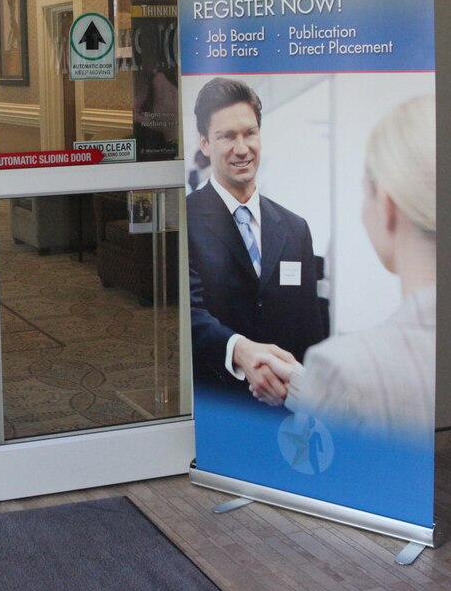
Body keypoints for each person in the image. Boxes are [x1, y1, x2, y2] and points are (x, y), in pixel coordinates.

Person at [256, 95, 436, 433]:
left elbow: (317, 461)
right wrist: (305, 385)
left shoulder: (344, 366)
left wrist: (326, 383)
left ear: (386, 205)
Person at [187, 77, 325, 405]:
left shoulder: (295, 229)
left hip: (285, 412)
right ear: (205, 143)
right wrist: (239, 350)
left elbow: (311, 330)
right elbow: (187, 314)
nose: (242, 148)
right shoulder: (185, 220)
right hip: (217, 409)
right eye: (227, 136)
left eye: (250, 133)